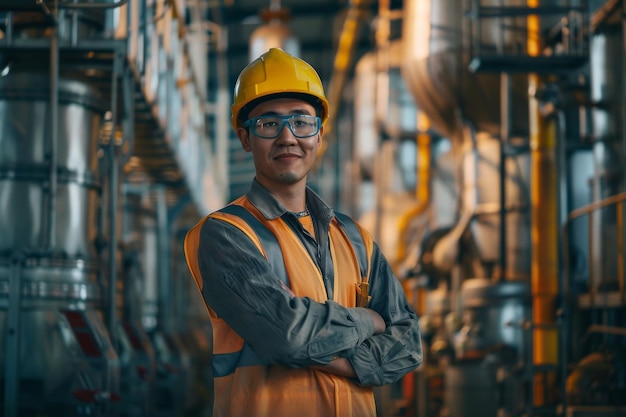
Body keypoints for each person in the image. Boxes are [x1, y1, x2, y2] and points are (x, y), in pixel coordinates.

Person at [184, 47, 422, 417]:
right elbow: (288, 337)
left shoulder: (356, 239)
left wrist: (334, 355)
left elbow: (408, 342)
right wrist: (367, 321)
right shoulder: (224, 235)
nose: (287, 137)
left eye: (301, 122)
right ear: (245, 138)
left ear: (319, 135)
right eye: (268, 123)